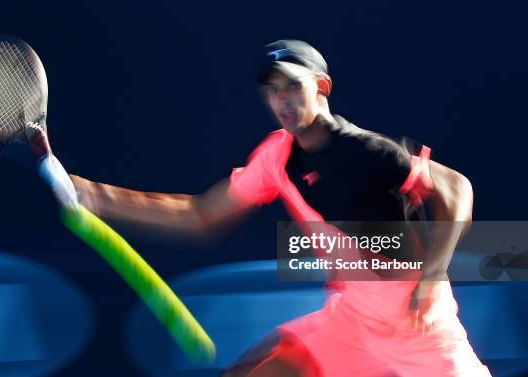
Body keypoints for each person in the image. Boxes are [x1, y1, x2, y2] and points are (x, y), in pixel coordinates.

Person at [59, 40, 490, 376]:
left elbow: (458, 189)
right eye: (271, 90)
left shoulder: (369, 151)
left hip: (416, 324)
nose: (282, 100)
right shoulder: (277, 155)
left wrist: (433, 274)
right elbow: (202, 216)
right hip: (355, 319)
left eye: (292, 86)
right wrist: (97, 196)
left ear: (321, 87)